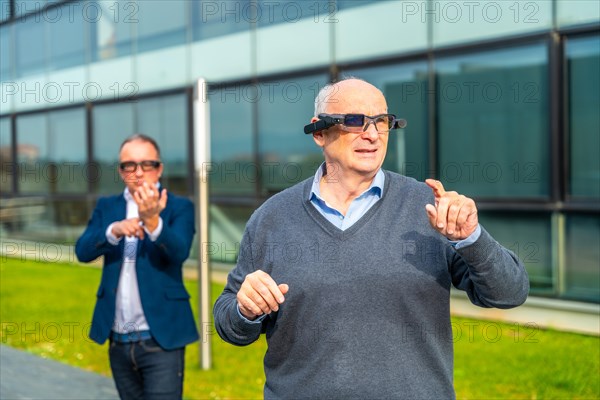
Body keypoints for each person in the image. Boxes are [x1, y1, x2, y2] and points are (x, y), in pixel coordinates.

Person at [213, 78, 529, 399]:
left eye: (382, 122)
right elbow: (230, 324)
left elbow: (509, 293)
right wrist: (245, 309)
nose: (373, 134)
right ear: (319, 132)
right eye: (355, 121)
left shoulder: (430, 208)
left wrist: (471, 238)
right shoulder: (272, 218)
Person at [76, 134, 198, 399]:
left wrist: (153, 222)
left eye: (147, 164)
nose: (138, 172)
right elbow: (82, 251)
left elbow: (179, 252)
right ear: (121, 171)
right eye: (129, 165)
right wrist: (113, 230)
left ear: (160, 169)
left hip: (161, 338)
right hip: (118, 338)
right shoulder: (107, 206)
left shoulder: (179, 207)